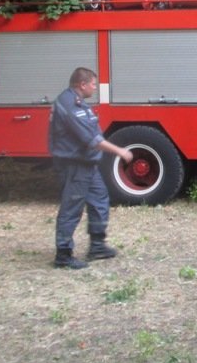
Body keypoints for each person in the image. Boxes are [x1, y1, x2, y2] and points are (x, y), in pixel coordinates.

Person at [48, 67, 133, 269]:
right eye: (93, 84)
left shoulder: (77, 102)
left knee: (99, 199)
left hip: (87, 165)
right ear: (82, 84)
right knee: (72, 209)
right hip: (75, 165)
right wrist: (120, 151)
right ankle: (63, 255)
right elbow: (92, 140)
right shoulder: (71, 105)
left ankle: (97, 246)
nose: (95, 87)